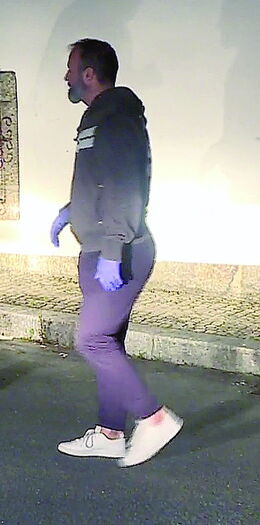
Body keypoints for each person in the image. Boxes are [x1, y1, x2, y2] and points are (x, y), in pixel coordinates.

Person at [51, 38, 182, 467]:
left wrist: (112, 249)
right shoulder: (97, 117)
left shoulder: (117, 116)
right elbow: (101, 180)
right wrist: (71, 210)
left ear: (90, 74)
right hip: (101, 245)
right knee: (109, 341)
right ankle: (109, 433)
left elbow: (127, 184)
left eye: (71, 68)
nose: (66, 76)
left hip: (120, 249)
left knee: (91, 339)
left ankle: (154, 417)